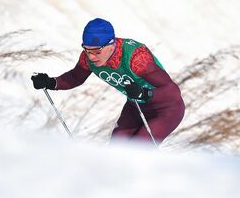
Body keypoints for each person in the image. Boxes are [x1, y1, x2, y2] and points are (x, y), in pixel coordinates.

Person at [31, 18, 185, 144]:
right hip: (136, 106)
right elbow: (75, 77)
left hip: (166, 110)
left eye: (97, 51)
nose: (91, 57)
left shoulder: (136, 58)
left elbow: (172, 91)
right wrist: (51, 82)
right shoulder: (89, 58)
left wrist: (145, 93)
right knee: (117, 148)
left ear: (111, 45)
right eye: (87, 49)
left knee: (138, 149)